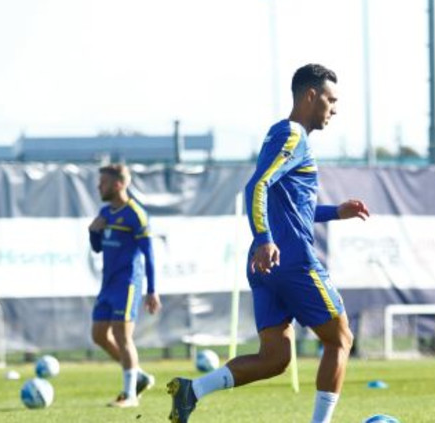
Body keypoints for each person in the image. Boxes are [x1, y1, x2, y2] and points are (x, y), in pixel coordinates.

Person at [167, 64, 370, 423]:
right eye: (331, 100)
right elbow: (256, 186)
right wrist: (264, 238)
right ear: (311, 96)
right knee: (340, 339)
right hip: (290, 260)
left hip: (267, 264)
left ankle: (192, 391)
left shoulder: (285, 136)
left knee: (274, 359)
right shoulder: (293, 134)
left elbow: (292, 208)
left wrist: (335, 212)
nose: (335, 109)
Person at [88, 164, 162, 407]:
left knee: (121, 334)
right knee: (99, 335)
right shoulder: (105, 212)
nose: (99, 186)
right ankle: (138, 376)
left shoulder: (135, 214)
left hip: (128, 284)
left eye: (103, 183)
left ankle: (130, 395)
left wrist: (152, 290)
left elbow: (149, 255)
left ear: (119, 184)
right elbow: (97, 248)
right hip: (107, 284)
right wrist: (93, 232)